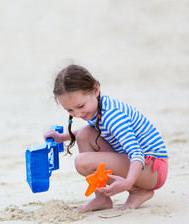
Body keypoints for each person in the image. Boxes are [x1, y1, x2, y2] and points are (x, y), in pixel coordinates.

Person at [43, 64, 168, 213]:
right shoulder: (99, 106)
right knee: (85, 134)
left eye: (80, 106)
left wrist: (128, 183)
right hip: (139, 164)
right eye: (70, 110)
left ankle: (137, 191)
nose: (77, 114)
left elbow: (136, 153)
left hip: (152, 169)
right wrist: (62, 137)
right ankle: (102, 198)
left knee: (82, 162)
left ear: (96, 90)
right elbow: (94, 129)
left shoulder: (113, 116)